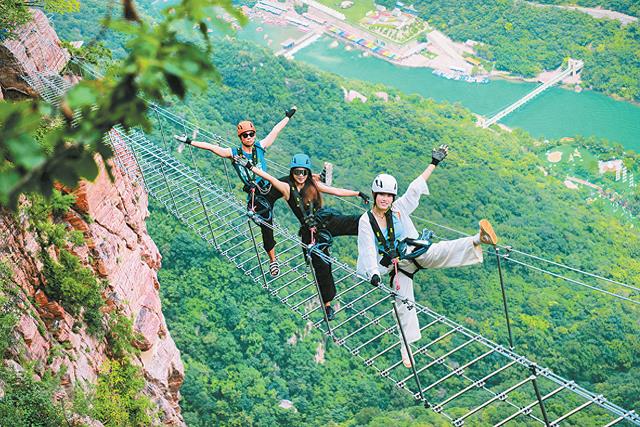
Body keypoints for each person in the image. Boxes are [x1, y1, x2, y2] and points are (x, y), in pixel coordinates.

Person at [356, 145, 499, 368]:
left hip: (413, 252)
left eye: (389, 195)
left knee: (442, 250)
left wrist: (433, 163)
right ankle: (406, 348)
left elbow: (414, 189)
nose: (385, 199)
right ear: (374, 195)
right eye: (381, 194)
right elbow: (366, 248)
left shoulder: (398, 209)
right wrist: (373, 273)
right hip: (394, 266)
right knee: (404, 304)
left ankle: (478, 239)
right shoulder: (366, 221)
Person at [237, 153, 370, 321]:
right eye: (297, 172)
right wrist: (250, 167)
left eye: (304, 172)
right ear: (292, 172)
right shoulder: (286, 188)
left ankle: (380, 231)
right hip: (310, 232)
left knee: (355, 222)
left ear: (308, 173)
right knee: (322, 265)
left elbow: (335, 191)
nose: (301, 176)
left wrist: (357, 193)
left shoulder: (312, 185)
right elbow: (269, 178)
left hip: (325, 220)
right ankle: (327, 304)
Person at [174, 107, 297, 277]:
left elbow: (275, 130)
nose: (249, 137)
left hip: (269, 186)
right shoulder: (233, 153)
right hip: (256, 195)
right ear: (240, 137)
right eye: (245, 135)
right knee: (267, 226)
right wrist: (189, 141)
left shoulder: (260, 146)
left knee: (294, 179)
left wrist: (288, 117)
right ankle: (273, 261)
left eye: (251, 134)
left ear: (254, 135)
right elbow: (211, 147)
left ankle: (317, 179)